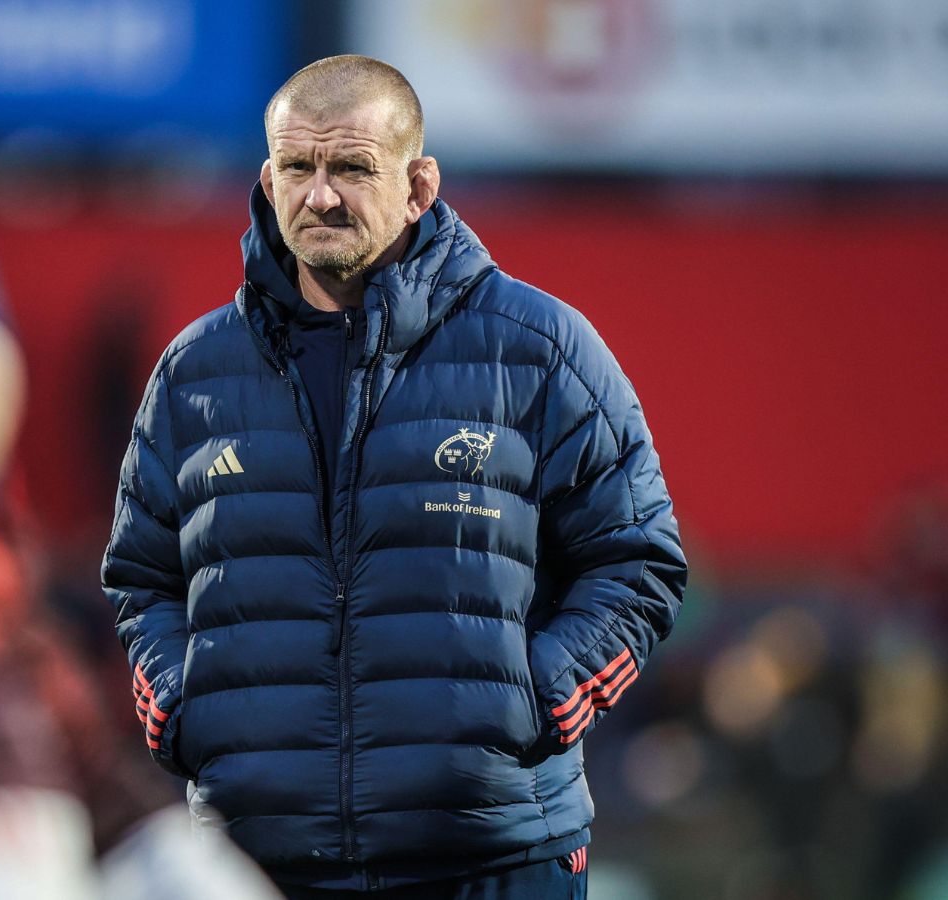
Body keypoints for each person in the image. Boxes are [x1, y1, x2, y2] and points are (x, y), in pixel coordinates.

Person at [102, 55, 687, 899]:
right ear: (268, 181)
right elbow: (139, 576)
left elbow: (640, 564)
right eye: (298, 169)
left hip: (494, 854)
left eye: (352, 169)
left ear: (419, 186)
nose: (322, 195)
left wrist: (542, 698)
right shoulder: (194, 372)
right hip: (255, 856)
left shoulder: (540, 349)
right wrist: (178, 703)